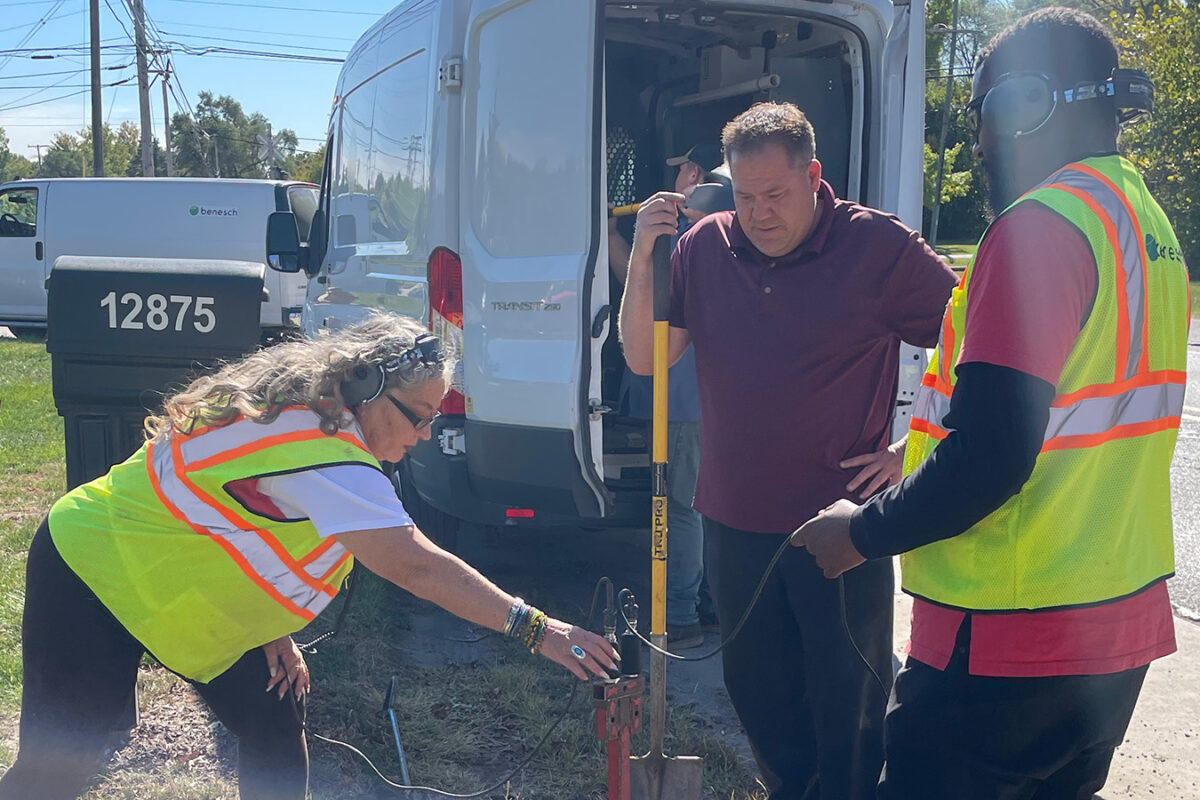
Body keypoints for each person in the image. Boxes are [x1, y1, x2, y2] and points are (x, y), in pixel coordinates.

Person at [791, 8, 1188, 798]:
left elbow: (993, 452)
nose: (976, 146)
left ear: (1029, 106)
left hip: (1007, 632)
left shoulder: (1038, 229)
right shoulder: (1143, 221)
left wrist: (862, 533)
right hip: (1113, 629)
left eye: (984, 117)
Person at [1, 313, 618, 800]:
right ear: (369, 390)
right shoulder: (323, 448)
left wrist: (269, 626)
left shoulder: (316, 416)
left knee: (273, 721)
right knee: (59, 769)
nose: (427, 432)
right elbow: (416, 566)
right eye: (420, 415)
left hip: (170, 580)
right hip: (94, 570)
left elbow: (246, 524)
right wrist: (540, 629)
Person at [618, 103, 956, 799]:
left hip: (842, 527)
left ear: (813, 176)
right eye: (744, 196)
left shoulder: (876, 247)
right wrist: (642, 264)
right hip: (734, 518)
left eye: (775, 195)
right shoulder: (704, 247)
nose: (759, 213)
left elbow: (975, 344)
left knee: (848, 703)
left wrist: (908, 448)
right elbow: (648, 359)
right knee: (757, 692)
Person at [608, 142, 728, 649]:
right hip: (715, 398)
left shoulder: (681, 232)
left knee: (681, 507)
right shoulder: (731, 227)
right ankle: (709, 603)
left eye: (677, 170)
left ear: (693, 174)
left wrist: (610, 229)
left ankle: (678, 615)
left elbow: (628, 276)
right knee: (707, 504)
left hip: (682, 399)